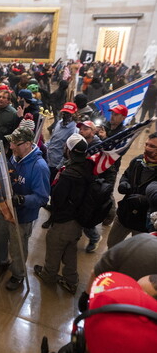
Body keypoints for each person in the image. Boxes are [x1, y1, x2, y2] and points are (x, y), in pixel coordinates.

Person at [0, 127, 50, 291]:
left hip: (22, 216)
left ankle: (18, 274)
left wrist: (22, 199)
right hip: (5, 208)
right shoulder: (15, 157)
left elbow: (42, 197)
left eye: (16, 143)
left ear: (28, 144)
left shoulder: (39, 167)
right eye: (11, 142)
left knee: (17, 247)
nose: (12, 146)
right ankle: (0, 260)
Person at [34, 134, 92, 294]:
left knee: (54, 246)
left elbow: (57, 198)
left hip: (65, 220)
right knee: (70, 249)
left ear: (69, 150)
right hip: (78, 220)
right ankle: (71, 280)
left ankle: (48, 275)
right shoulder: (88, 167)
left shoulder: (68, 174)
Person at [107, 132, 157, 248]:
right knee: (112, 245)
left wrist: (145, 200)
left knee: (135, 254)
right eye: (146, 144)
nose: (147, 148)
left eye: (152, 146)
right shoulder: (138, 161)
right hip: (124, 214)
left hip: (143, 222)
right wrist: (123, 183)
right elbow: (126, 174)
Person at [77, 120, 103, 253]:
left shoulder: (98, 146)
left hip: (90, 185)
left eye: (85, 129)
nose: (81, 131)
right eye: (80, 128)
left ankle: (94, 237)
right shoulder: (80, 142)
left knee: (85, 217)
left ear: (93, 132)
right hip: (79, 182)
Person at [45, 102, 78, 183]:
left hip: (56, 165)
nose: (65, 115)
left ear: (74, 115)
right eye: (64, 112)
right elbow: (52, 139)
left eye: (68, 113)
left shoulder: (74, 131)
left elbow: (68, 152)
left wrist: (58, 167)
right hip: (48, 160)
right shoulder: (59, 123)